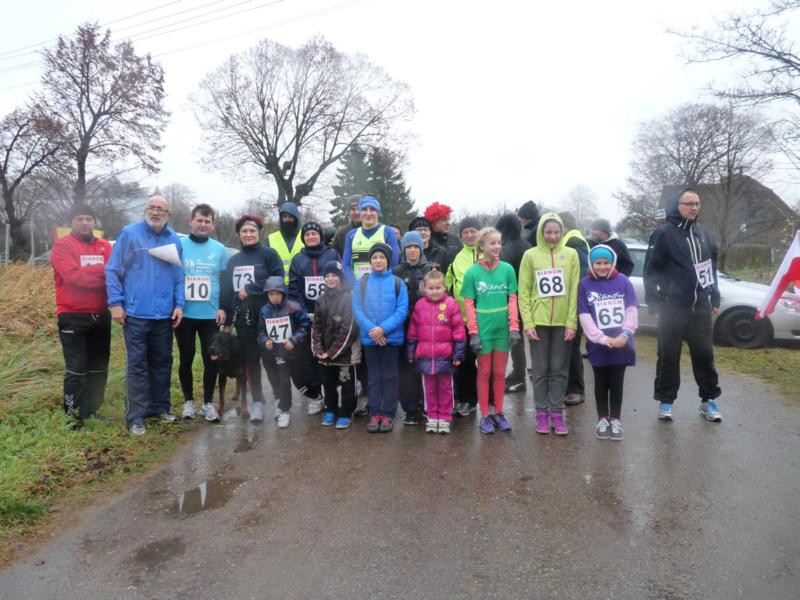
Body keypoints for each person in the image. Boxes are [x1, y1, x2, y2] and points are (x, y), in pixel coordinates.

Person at [106, 195, 185, 435]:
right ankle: (136, 417)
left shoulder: (174, 239)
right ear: (145, 210)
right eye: (151, 207)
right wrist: (115, 303)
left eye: (161, 209)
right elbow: (113, 270)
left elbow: (179, 275)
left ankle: (159, 408)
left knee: (162, 363)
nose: (155, 212)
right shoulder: (129, 234)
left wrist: (179, 304)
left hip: (164, 315)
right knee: (137, 365)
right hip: (136, 314)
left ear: (168, 214)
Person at [644, 187, 722, 423]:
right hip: (672, 307)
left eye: (696, 204)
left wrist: (714, 295)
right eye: (688, 204)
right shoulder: (664, 234)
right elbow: (651, 271)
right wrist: (654, 303)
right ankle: (665, 401)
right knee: (669, 355)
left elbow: (711, 268)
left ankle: (708, 400)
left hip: (700, 307)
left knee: (704, 355)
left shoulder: (704, 233)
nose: (693, 208)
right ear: (677, 206)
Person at [50, 204, 113, 427]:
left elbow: (113, 273)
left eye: (89, 219)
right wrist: (102, 277)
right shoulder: (62, 246)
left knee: (98, 367)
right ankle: (73, 415)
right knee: (76, 368)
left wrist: (89, 273)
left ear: (94, 222)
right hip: (73, 316)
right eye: (79, 219)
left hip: (101, 315)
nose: (85, 223)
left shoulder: (105, 246)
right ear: (72, 222)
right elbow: (72, 277)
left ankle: (91, 410)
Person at [518, 212, 579, 435]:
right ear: (541, 232)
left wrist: (572, 323)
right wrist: (528, 323)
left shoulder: (571, 254)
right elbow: (524, 291)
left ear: (562, 232)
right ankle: (541, 413)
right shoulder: (530, 255)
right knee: (540, 371)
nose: (552, 236)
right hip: (539, 323)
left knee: (560, 370)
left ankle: (558, 413)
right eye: (548, 232)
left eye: (556, 232)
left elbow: (574, 290)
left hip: (563, 323)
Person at [221, 215, 284, 423]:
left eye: (252, 231)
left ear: (258, 233)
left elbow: (277, 280)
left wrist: (251, 288)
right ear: (239, 234)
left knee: (271, 359)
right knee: (251, 361)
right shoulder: (234, 260)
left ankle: (279, 400)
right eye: (244, 232)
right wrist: (226, 315)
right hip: (243, 319)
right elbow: (228, 290)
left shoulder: (269, 254)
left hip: (268, 316)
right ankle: (257, 401)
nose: (248, 235)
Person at [461, 227, 521, 434]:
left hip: (502, 329)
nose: (497, 247)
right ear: (481, 246)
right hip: (483, 329)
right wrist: (473, 333)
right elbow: (469, 305)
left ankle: (499, 412)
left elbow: (512, 299)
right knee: (485, 372)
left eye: (499, 243)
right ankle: (485, 414)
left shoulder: (507, 269)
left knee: (499, 373)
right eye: (492, 243)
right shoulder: (472, 272)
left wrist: (514, 327)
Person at [578, 245, 639, 441]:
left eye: (606, 262)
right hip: (598, 345)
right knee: (600, 382)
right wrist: (602, 339)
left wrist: (625, 334)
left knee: (617, 382)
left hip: (622, 343)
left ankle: (616, 419)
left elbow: (632, 309)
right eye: (598, 263)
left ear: (612, 263)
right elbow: (584, 315)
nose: (602, 266)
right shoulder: (585, 284)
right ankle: (602, 418)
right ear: (591, 264)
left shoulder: (623, 282)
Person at [176, 204, 228, 422]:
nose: (203, 225)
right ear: (191, 221)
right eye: (199, 220)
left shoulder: (220, 249)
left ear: (213, 225)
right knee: (186, 357)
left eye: (207, 221)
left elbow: (225, 281)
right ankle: (188, 402)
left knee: (211, 359)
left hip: (210, 315)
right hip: (185, 314)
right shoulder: (178, 245)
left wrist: (223, 307)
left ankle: (207, 403)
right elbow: (171, 276)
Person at [351, 243, 409, 433]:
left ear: (388, 260)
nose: (378, 260)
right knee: (374, 378)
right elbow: (357, 309)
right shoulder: (362, 283)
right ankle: (375, 412)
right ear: (370, 261)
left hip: (391, 339)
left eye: (382, 257)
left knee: (391, 377)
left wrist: (383, 330)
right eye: (374, 257)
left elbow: (402, 310)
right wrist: (373, 331)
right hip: (370, 339)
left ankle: (388, 414)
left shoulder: (397, 283)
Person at [287, 221, 339, 414]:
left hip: (330, 313)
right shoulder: (297, 259)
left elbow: (339, 280)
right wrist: (303, 312)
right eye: (307, 234)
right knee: (310, 357)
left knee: (331, 354)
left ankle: (333, 394)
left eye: (314, 234)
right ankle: (316, 395)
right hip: (307, 316)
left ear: (321, 236)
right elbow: (293, 288)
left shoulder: (332, 254)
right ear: (303, 238)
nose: (311, 237)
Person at [406, 270, 466, 434]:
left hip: (445, 357)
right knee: (429, 389)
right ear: (424, 288)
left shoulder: (451, 304)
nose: (434, 291)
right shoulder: (420, 306)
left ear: (444, 287)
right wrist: (411, 353)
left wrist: (458, 354)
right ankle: (432, 416)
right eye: (431, 288)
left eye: (438, 288)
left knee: (446, 388)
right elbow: (413, 331)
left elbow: (459, 332)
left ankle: (445, 417)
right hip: (425, 357)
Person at [256, 276, 311, 428]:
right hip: (279, 354)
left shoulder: (294, 307)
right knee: (284, 382)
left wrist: (294, 340)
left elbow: (304, 326)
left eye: (277, 293)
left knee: (300, 381)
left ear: (283, 293)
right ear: (267, 295)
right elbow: (260, 331)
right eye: (271, 294)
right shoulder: (264, 311)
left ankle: (315, 396)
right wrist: (265, 341)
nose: (274, 297)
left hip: (295, 353)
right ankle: (284, 410)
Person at [311, 261, 361, 429]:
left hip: (345, 354)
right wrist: (318, 349)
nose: (330, 279)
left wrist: (332, 352)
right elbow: (316, 327)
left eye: (334, 275)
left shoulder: (349, 298)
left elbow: (349, 329)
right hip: (324, 353)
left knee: (347, 384)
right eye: (327, 276)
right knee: (328, 383)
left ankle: (346, 412)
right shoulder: (320, 300)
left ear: (340, 278)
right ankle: (331, 409)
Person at [393, 231, 433, 425]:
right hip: (404, 326)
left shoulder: (431, 269)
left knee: (426, 367)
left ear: (421, 248)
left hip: (426, 326)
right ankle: (409, 409)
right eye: (408, 247)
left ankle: (427, 405)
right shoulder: (396, 271)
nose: (412, 250)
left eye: (416, 246)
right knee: (406, 369)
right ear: (403, 249)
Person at [445, 217, 481, 417]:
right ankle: (468, 400)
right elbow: (447, 286)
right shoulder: (456, 258)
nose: (469, 235)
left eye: (473, 231)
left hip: (487, 319)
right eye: (465, 232)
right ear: (460, 235)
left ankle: (492, 403)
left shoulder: (490, 254)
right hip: (464, 320)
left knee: (488, 363)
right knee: (466, 361)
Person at [496, 213, 531, 393]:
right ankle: (519, 373)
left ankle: (519, 377)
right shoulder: (528, 246)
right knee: (522, 340)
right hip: (529, 299)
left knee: (515, 340)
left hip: (512, 300)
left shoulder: (505, 250)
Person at [560, 211, 590, 406]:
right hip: (572, 301)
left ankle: (576, 389)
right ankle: (570, 387)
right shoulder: (576, 239)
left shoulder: (573, 242)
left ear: (564, 226)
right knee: (569, 347)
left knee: (571, 348)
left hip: (574, 303)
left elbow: (580, 274)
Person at [341, 195, 400, 286]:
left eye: (372, 209)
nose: (368, 213)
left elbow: (394, 264)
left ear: (378, 213)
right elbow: (346, 265)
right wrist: (355, 286)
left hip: (381, 287)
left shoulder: (387, 232)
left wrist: (379, 283)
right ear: (360, 212)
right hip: (358, 288)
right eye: (364, 209)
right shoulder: (351, 235)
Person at [266, 202, 303, 285]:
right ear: (281, 218)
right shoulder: (270, 239)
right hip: (277, 288)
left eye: (290, 216)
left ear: (296, 218)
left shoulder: (305, 237)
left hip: (300, 287)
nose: (287, 219)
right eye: (284, 216)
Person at [423, 202, 461, 270]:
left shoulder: (455, 240)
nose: (448, 223)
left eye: (448, 219)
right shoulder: (426, 242)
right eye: (444, 220)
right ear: (433, 222)